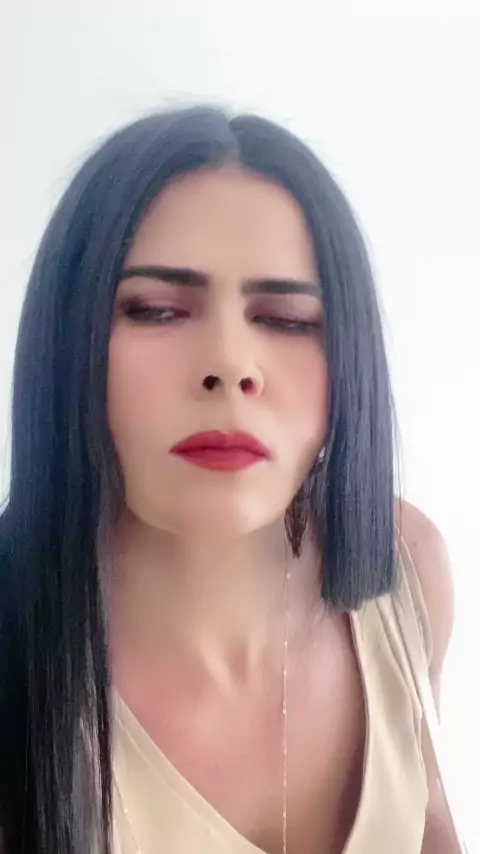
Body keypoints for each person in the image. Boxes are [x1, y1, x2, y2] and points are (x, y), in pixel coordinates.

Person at [0, 106, 456, 854]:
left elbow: (429, 818)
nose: (231, 364)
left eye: (288, 319)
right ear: (68, 336)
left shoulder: (407, 570)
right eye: (156, 310)